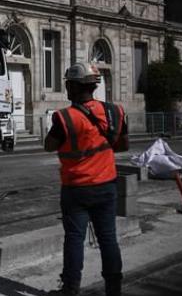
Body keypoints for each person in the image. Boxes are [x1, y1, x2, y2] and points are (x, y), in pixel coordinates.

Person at [45, 62, 128, 296]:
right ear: (93, 86)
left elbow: (48, 145)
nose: (66, 89)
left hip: (76, 188)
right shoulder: (115, 112)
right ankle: (114, 289)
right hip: (106, 186)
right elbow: (122, 145)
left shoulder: (65, 118)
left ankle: (70, 289)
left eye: (67, 85)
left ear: (73, 86)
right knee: (108, 239)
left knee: (74, 239)